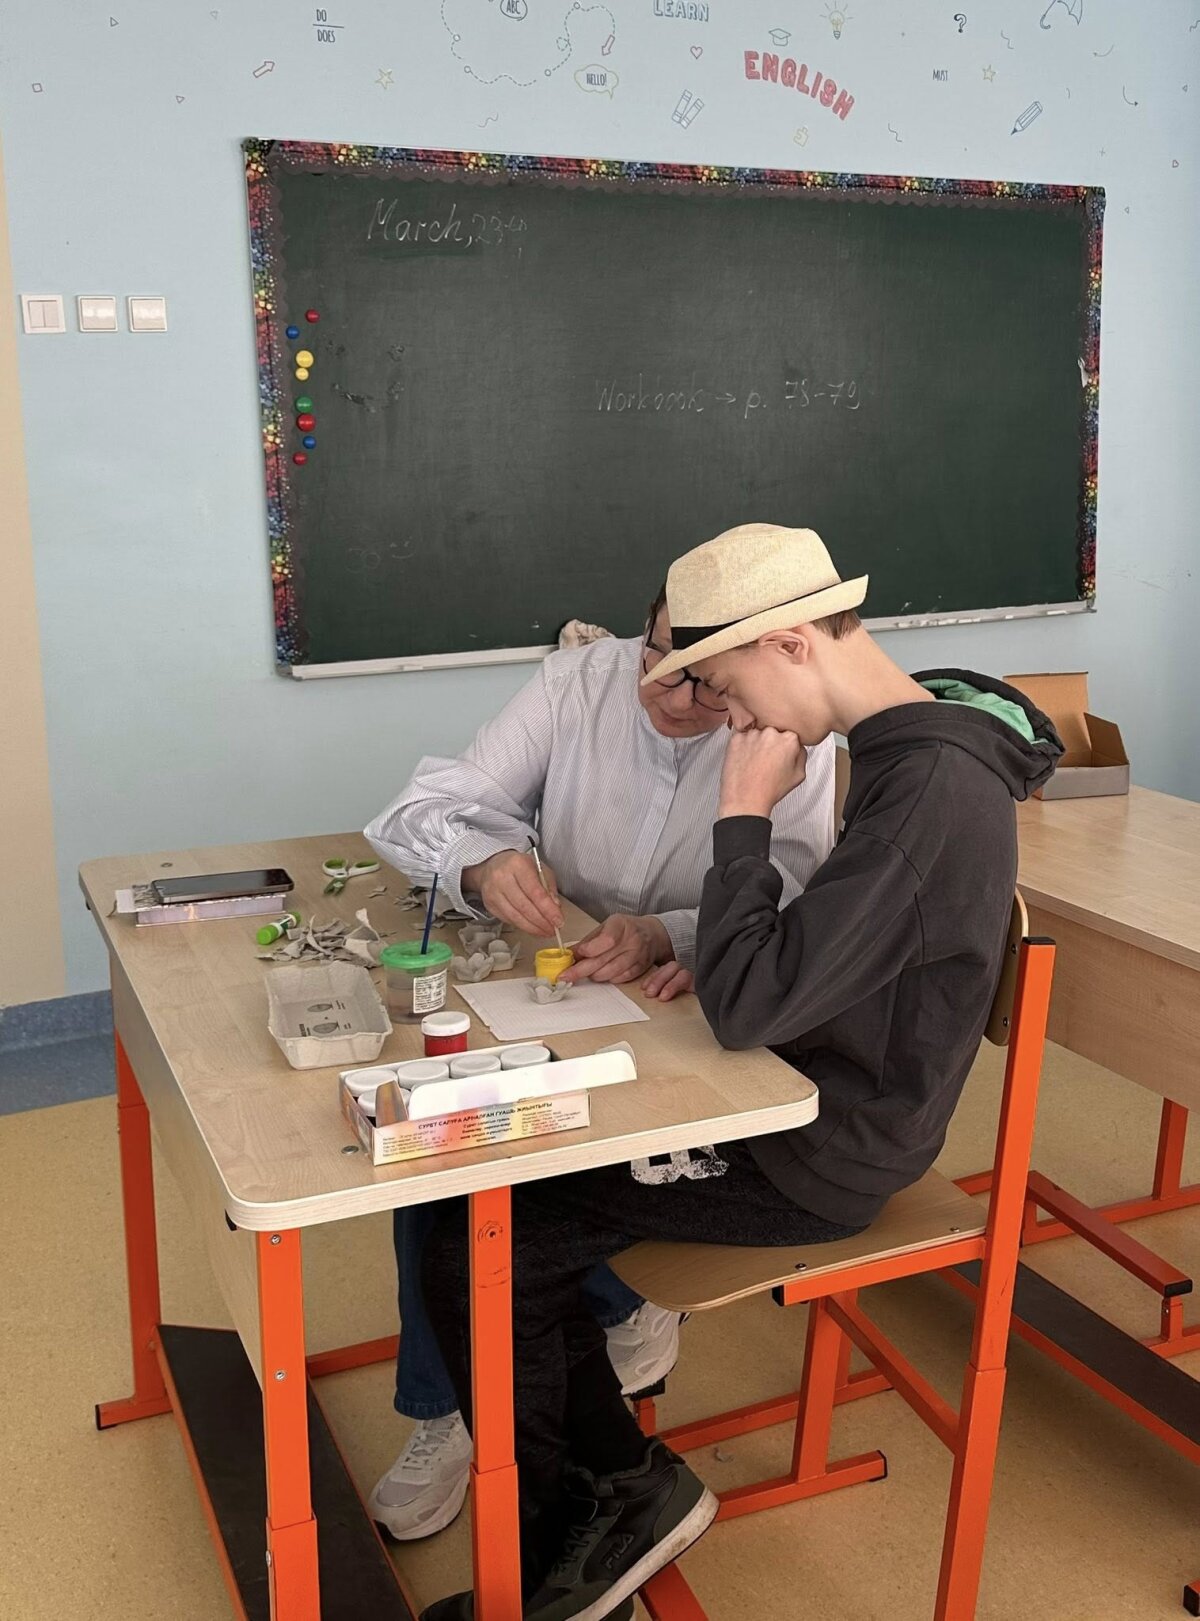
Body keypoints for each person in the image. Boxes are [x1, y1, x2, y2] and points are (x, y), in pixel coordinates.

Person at [417, 522, 1062, 1620]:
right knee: (481, 1200)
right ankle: (615, 1486)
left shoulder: (930, 789)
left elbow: (752, 998)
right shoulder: (908, 748)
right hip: (786, 1086)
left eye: (728, 688)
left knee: (478, 1236)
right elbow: (786, 971)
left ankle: (574, 1529)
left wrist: (743, 810)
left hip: (822, 1146)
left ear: (792, 642)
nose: (731, 717)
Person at [362, 580, 837, 1543]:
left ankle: (627, 1300)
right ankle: (448, 1404)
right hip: (564, 982)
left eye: (708, 683)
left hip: (691, 1003)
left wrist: (669, 932)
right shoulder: (575, 681)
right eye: (659, 657)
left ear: (756, 665)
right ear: (642, 629)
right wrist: (480, 862)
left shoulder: (790, 731)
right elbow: (420, 809)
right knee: (438, 1139)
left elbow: (799, 892)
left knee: (582, 1169)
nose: (674, 693)